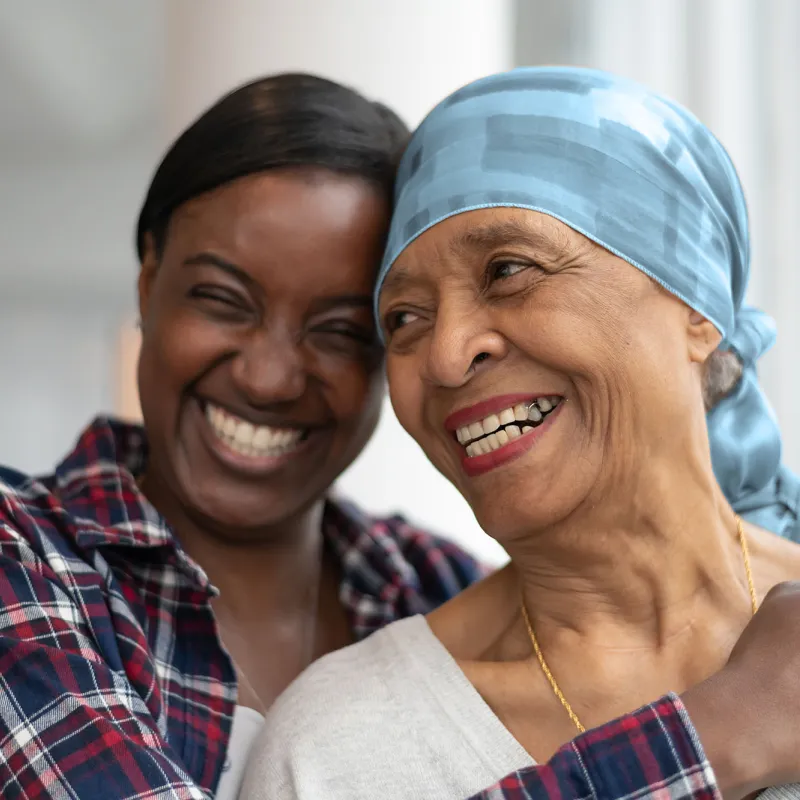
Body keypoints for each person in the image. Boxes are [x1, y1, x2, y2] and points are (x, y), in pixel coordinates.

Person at [241, 67, 800, 799]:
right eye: (404, 318)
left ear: (696, 309)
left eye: (509, 270)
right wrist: (716, 737)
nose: (444, 356)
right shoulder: (339, 744)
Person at [0, 73, 484, 800]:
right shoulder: (22, 559)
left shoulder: (442, 593)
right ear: (147, 283)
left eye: (342, 331)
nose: (269, 379)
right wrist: (698, 738)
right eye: (223, 301)